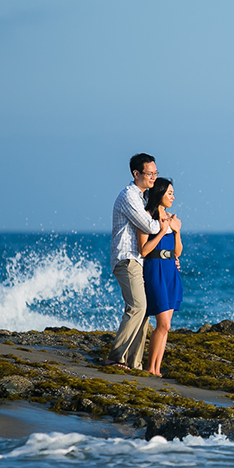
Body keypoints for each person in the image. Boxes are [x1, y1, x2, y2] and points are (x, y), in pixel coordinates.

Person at [106, 153, 164, 370]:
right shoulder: (129, 196)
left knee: (143, 309)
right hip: (126, 258)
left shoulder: (141, 197)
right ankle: (115, 357)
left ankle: (134, 362)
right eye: (150, 174)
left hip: (137, 260)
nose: (153, 178)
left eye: (155, 173)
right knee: (137, 306)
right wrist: (166, 226)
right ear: (136, 173)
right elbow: (148, 226)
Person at [138, 177, 183, 376]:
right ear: (160, 193)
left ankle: (157, 368)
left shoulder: (172, 218)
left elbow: (178, 252)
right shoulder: (146, 216)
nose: (173, 197)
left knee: (166, 326)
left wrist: (176, 231)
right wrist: (162, 230)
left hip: (170, 271)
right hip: (155, 269)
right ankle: (150, 367)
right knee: (162, 323)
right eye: (169, 193)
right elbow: (144, 251)